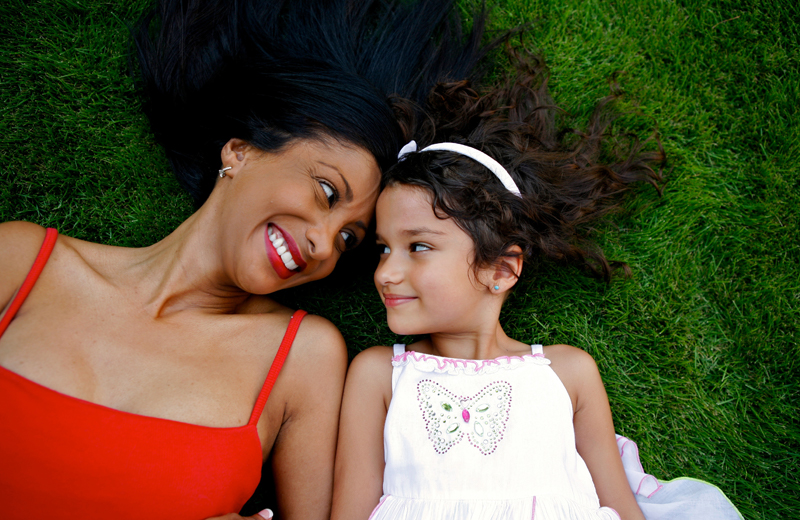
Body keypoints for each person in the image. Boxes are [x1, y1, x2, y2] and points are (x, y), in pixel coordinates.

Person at [0, 1, 491, 518]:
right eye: (326, 191)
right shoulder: (22, 261)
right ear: (240, 151)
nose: (324, 245)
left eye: (349, 239)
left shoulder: (303, 357)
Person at [332, 52, 743, 520]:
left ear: (502, 269)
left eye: (419, 247)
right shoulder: (379, 374)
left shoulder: (567, 372)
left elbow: (621, 508)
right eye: (383, 248)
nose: (385, 272)